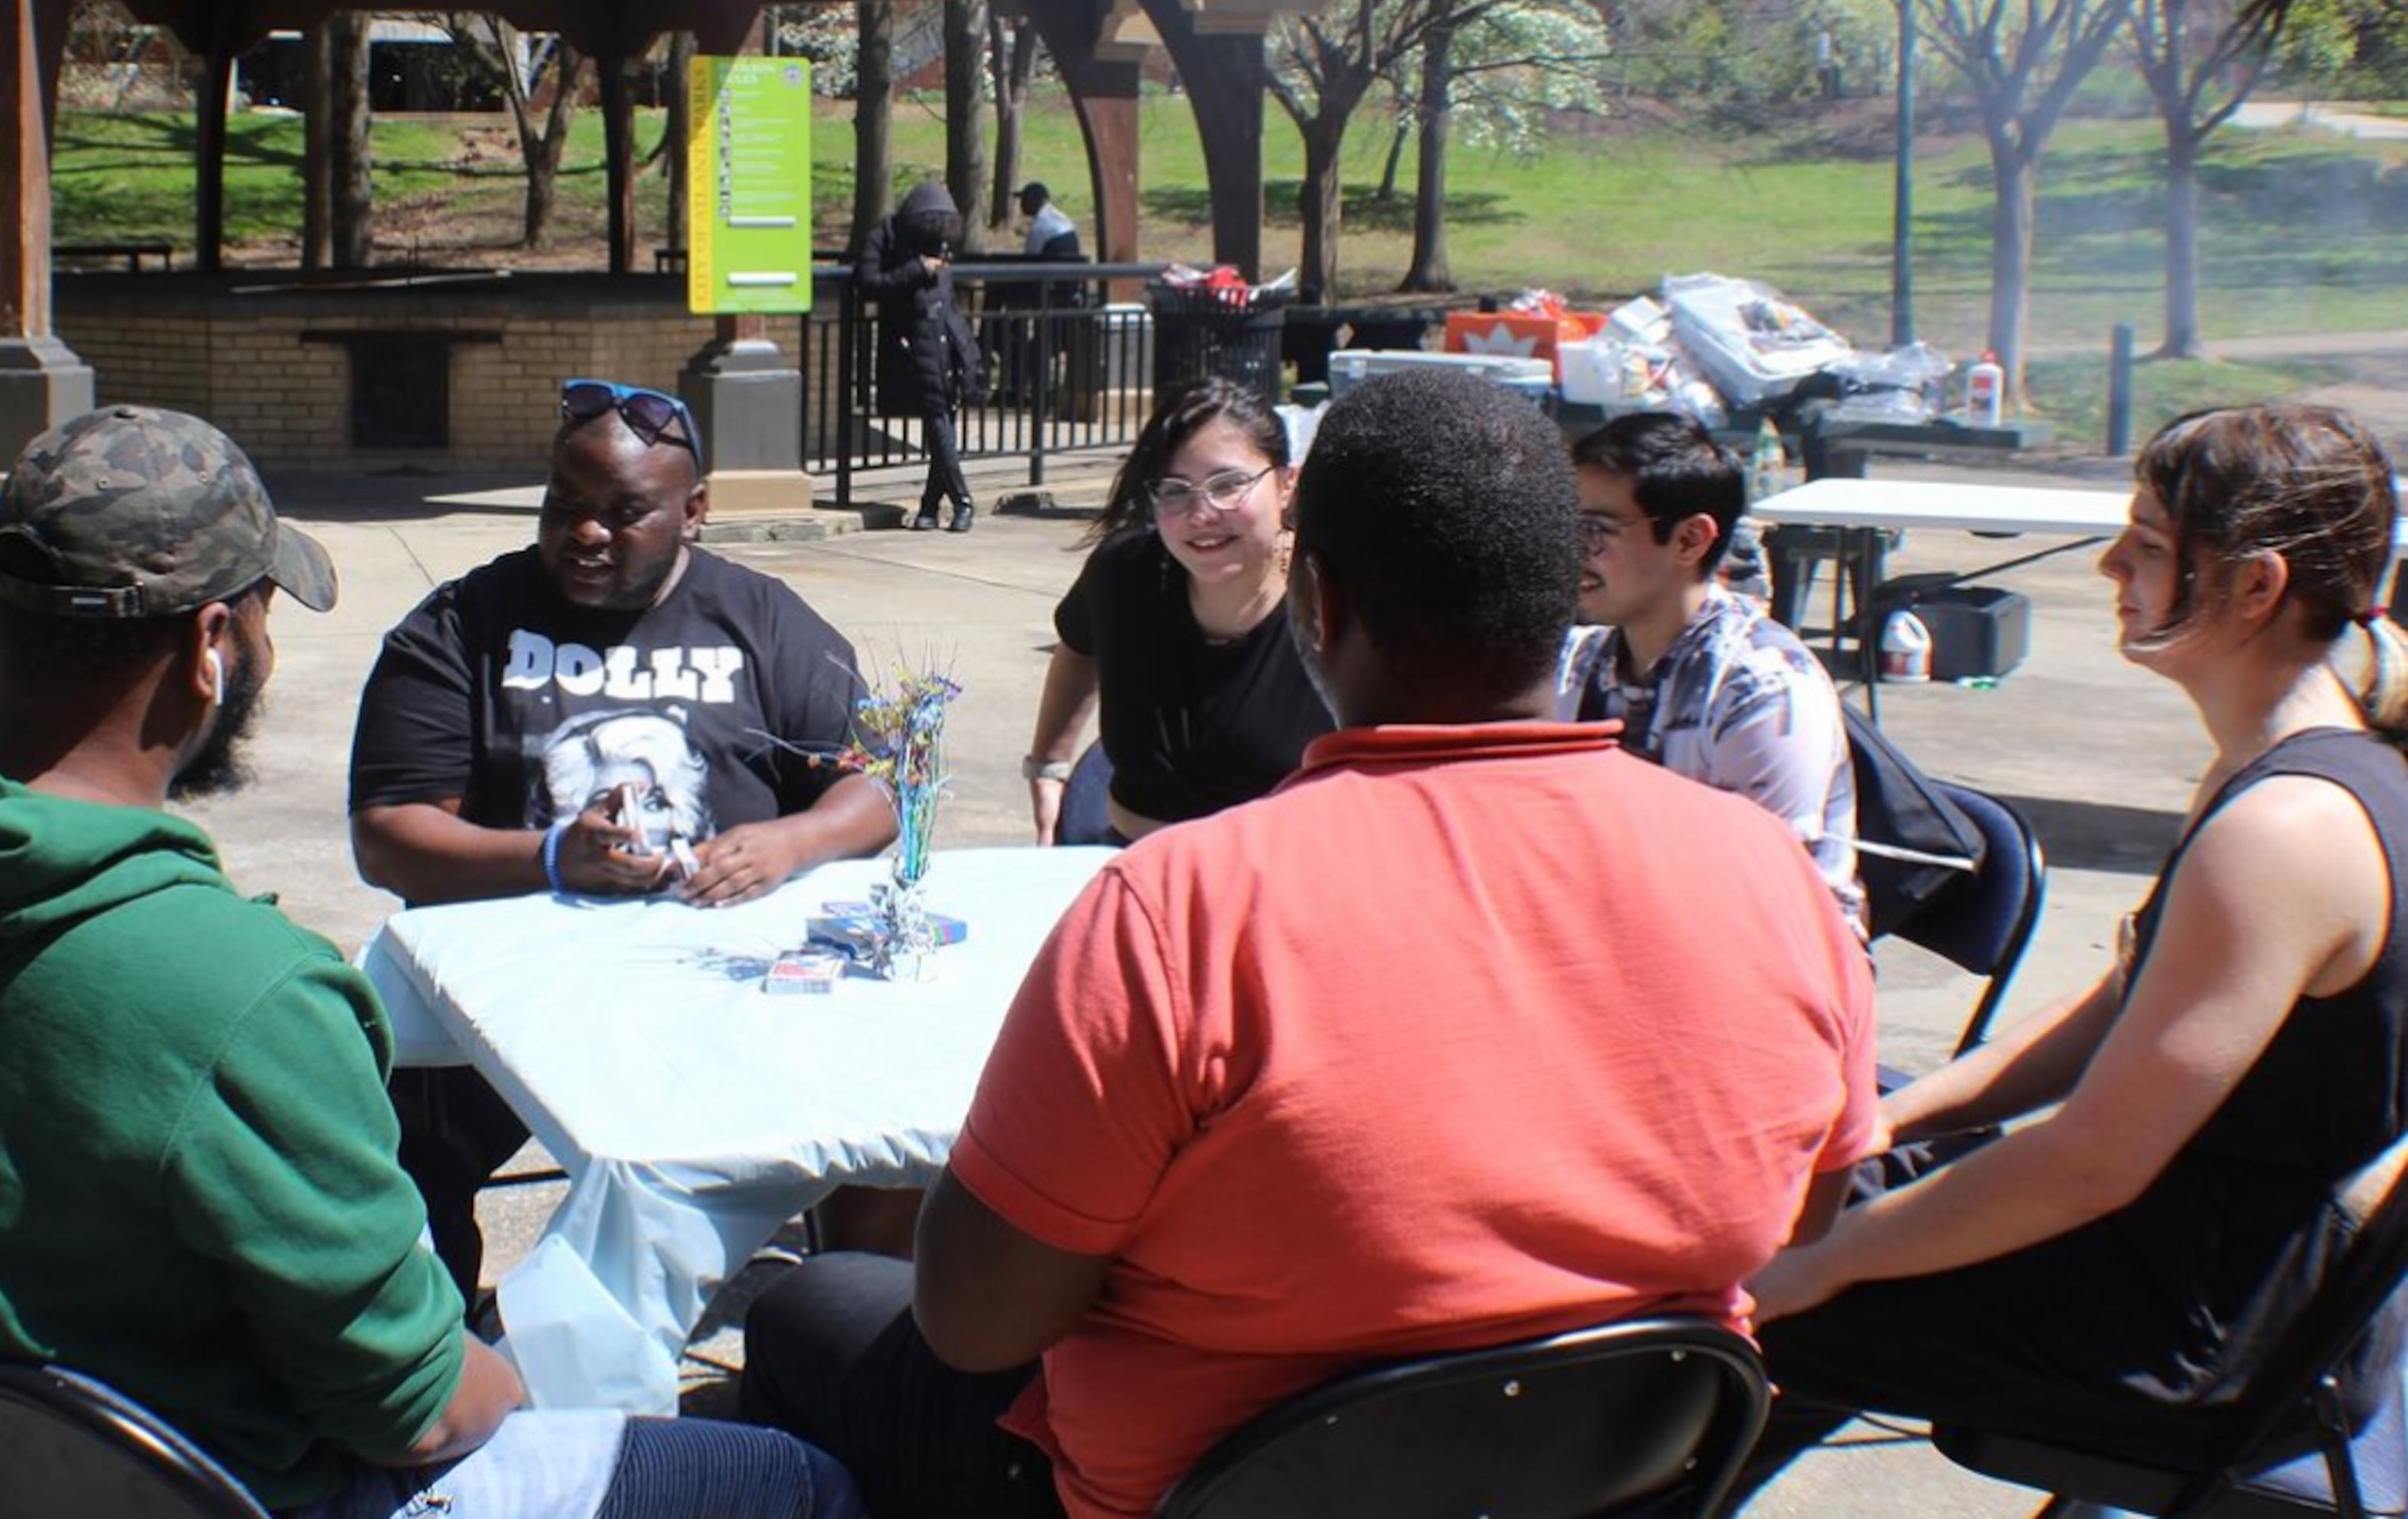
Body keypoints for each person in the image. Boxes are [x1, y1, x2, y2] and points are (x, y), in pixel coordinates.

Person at [742, 369, 1878, 1519]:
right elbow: (1805, 1218)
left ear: (1317, 603)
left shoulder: (1178, 908)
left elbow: (974, 1321)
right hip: (1601, 1481)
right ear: (1563, 595)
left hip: (1191, 1492)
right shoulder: (1774, 874)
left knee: (805, 1308)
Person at [0, 404, 861, 1519]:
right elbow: (421, 1412)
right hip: (248, 1489)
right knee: (799, 1480)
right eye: (263, 615)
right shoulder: (245, 992)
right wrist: (523, 1379)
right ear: (212, 647)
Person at [1732, 404, 2408, 1501]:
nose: (2108, 566)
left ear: (2256, 586)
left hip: (2195, 1332)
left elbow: (2092, 1162)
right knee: (1793, 1208)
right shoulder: (2291, 771)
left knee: (1726, 1300)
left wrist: (1823, 1265)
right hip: (2201, 1269)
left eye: (2146, 545)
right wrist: (1893, 1119)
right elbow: (2121, 1010)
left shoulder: (2283, 831)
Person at [350, 377, 897, 1293]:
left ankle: (835, 1319)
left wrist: (790, 841)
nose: (587, 531)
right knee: (393, 1152)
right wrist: (553, 857)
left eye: (625, 510)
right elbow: (387, 833)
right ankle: (437, 1345)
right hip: (507, 985)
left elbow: (881, 779)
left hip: (725, 976)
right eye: (565, 503)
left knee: (886, 1113)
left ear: (696, 511)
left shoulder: (760, 617)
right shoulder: (462, 624)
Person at [1556, 410, 1862, 938]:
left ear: (1689, 540)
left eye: (1595, 530)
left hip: (1773, 967)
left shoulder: (1762, 686)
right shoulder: (1580, 659)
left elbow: (1765, 900)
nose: (1568, 551)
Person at [1025, 380, 1331, 844]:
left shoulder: (1337, 603)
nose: (1201, 514)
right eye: (1175, 491)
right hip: (1127, 863)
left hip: (1280, 892)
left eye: (1229, 485)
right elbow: (1078, 646)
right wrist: (1048, 766)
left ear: (1287, 483)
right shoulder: (1125, 572)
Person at [852, 180, 978, 533]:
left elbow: (947, 297)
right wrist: (916, 270)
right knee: (939, 423)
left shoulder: (939, 244)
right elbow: (868, 280)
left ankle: (929, 506)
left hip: (946, 340)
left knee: (943, 424)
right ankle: (962, 500)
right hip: (913, 341)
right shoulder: (887, 237)